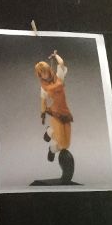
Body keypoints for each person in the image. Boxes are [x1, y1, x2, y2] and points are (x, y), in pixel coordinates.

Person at [35, 50, 74, 182]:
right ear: (40, 75)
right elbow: (43, 101)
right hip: (56, 112)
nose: (44, 75)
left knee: (66, 144)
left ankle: (50, 135)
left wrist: (55, 55)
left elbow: (61, 63)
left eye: (45, 71)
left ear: (48, 70)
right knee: (62, 142)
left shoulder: (59, 77)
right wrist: (42, 113)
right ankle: (51, 136)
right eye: (41, 74)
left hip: (65, 112)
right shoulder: (44, 87)